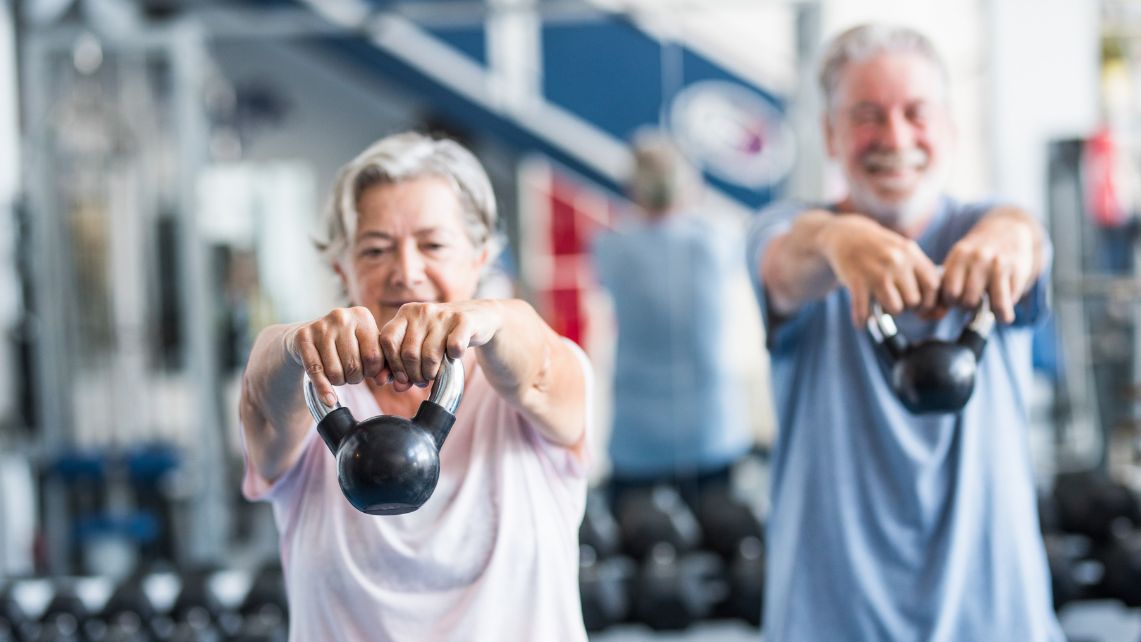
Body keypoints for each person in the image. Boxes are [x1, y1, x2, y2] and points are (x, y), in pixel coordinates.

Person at [748, 25, 1062, 641]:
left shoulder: (985, 227)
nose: (895, 138)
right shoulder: (790, 233)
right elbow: (787, 262)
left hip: (997, 618)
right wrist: (838, 239)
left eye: (915, 113)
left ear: (948, 127)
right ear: (831, 136)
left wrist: (1010, 237)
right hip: (830, 618)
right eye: (867, 116)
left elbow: (1025, 235)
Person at [238, 132, 592, 641]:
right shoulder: (310, 395)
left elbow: (538, 371)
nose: (406, 272)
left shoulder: (530, 383)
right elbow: (263, 403)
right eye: (377, 249)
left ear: (481, 258)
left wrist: (487, 318)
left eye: (434, 245)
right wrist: (295, 344)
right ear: (342, 267)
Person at [591, 131, 753, 508]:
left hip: (638, 433)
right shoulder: (720, 240)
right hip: (712, 430)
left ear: (634, 187)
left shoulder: (610, 247)